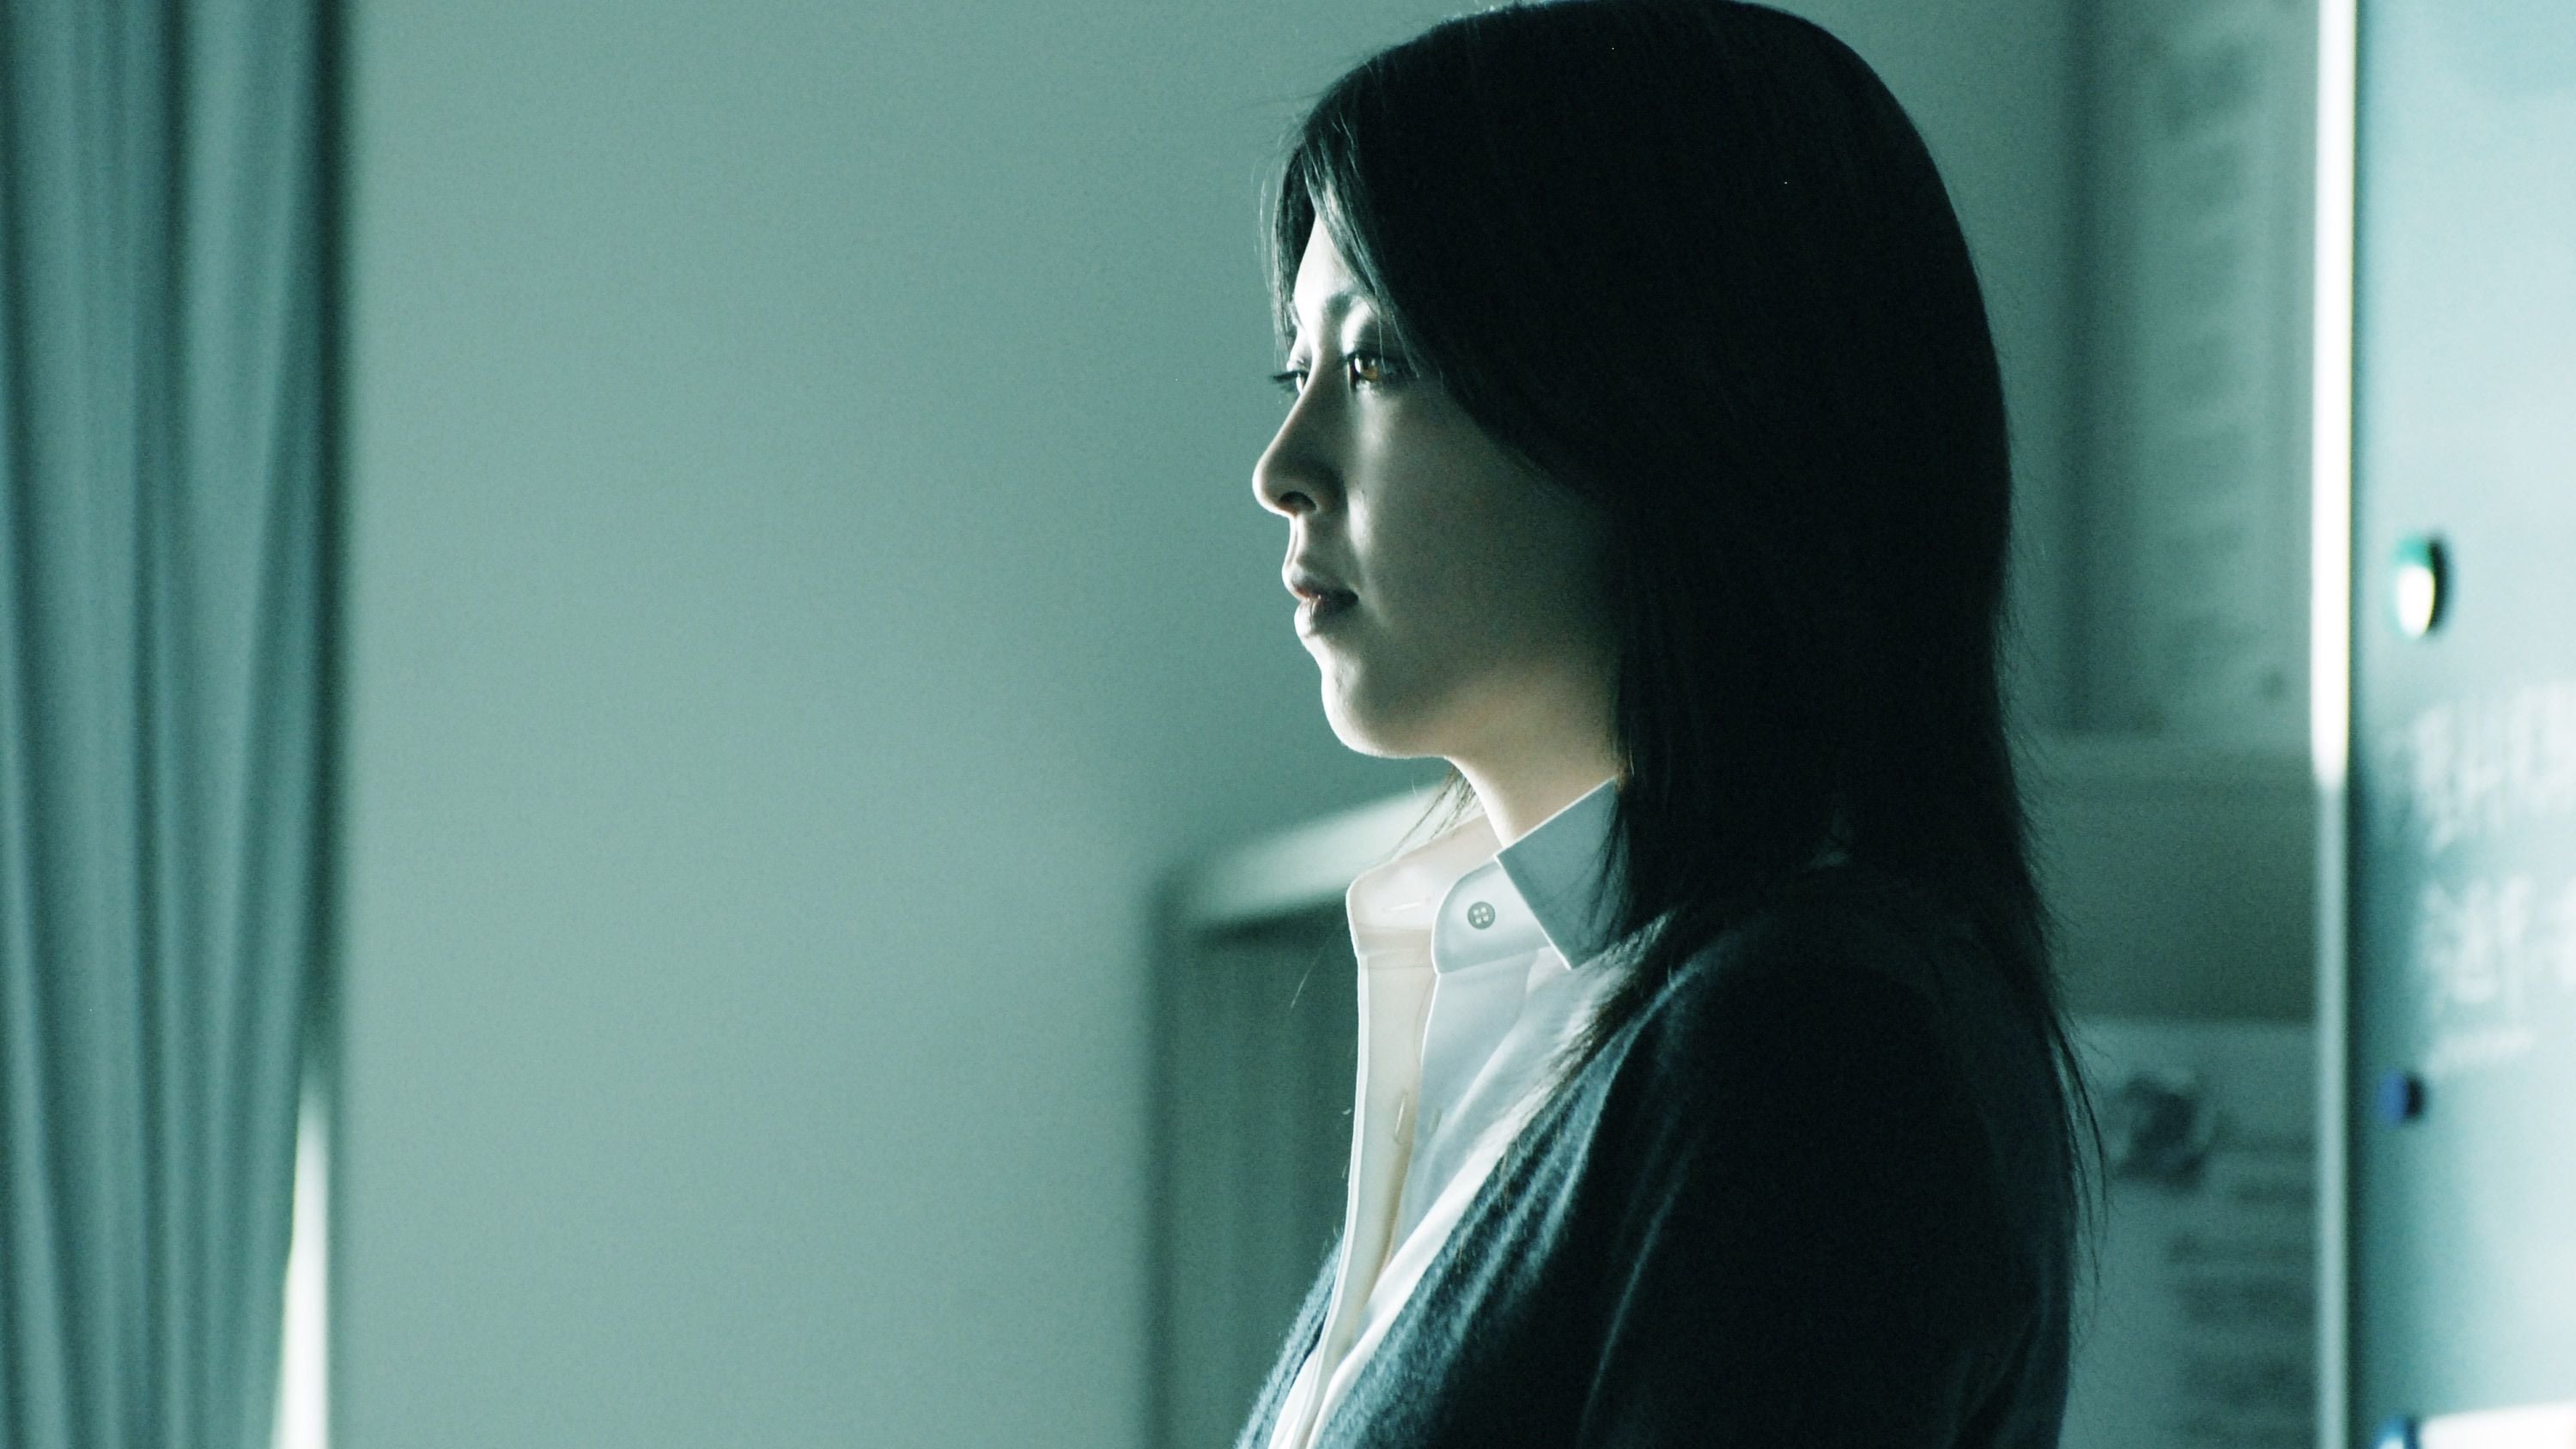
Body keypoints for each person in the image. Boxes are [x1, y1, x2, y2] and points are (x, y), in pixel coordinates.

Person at [1241, 2, 2100, 1445]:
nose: (1284, 466)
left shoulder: (1813, 1049)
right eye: (1297, 372)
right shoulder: (1534, 1014)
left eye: (1378, 364)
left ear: (1666, 402)